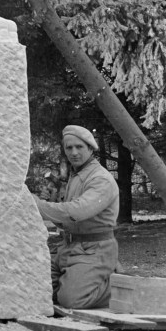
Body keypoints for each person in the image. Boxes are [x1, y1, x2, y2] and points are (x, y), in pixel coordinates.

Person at [34, 125, 119, 309]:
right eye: (69, 148)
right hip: (68, 249)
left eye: (79, 147)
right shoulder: (77, 175)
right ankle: (79, 280)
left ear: (90, 148)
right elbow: (65, 219)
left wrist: (37, 206)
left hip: (95, 250)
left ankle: (120, 284)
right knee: (37, 290)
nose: (74, 152)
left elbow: (76, 212)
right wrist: (46, 203)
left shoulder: (100, 179)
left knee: (71, 300)